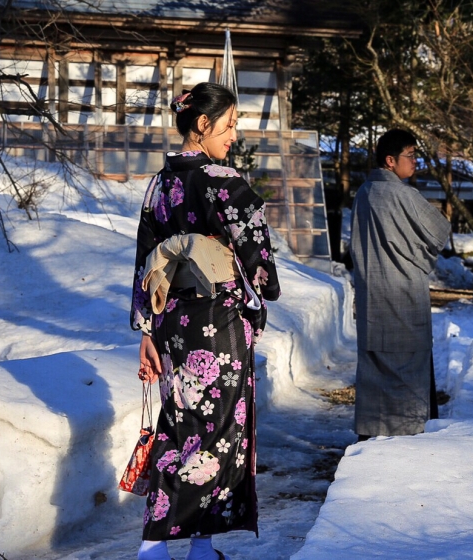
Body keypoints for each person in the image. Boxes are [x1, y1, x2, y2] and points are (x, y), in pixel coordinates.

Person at [130, 82, 281, 560]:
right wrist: (265, 289)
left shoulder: (160, 183)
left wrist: (147, 331)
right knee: (213, 433)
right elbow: (258, 251)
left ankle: (199, 546)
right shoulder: (221, 179)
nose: (234, 135)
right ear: (202, 125)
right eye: (230, 125)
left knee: (184, 422)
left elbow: (144, 262)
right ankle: (154, 546)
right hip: (216, 321)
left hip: (172, 321)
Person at [350, 128, 451, 440]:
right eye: (411, 155)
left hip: (372, 291)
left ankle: (370, 432)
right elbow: (440, 232)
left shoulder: (365, 193)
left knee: (376, 364)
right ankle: (406, 432)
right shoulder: (404, 195)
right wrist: (419, 254)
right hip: (404, 291)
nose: (416, 161)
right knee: (406, 366)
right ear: (390, 161)